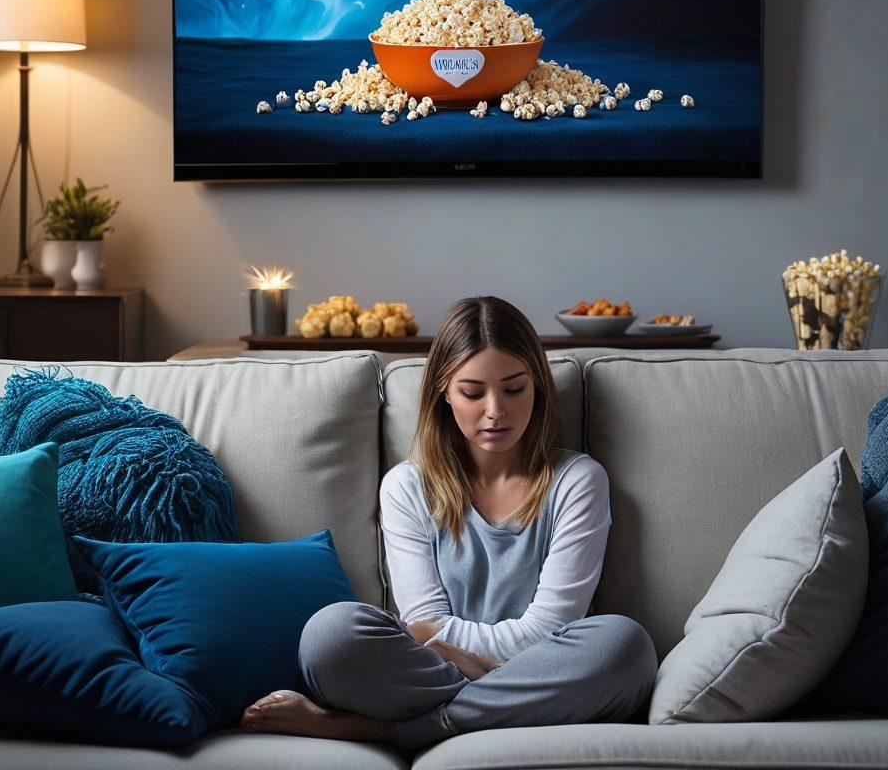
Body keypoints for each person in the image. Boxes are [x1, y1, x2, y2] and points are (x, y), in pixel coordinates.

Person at [241, 295, 657, 749]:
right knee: (330, 636)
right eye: (473, 392)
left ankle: (380, 729)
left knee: (625, 647)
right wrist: (486, 670)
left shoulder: (577, 480)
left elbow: (546, 629)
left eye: (514, 389)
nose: (495, 410)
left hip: (538, 664)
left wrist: (455, 650)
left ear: (537, 387)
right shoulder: (407, 486)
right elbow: (421, 622)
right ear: (444, 392)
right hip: (483, 675)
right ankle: (502, 706)